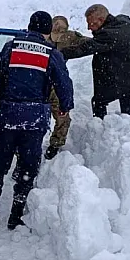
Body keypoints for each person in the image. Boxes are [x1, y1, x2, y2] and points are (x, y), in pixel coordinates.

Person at [0, 11, 74, 230]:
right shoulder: (51, 53)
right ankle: (16, 211)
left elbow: (3, 76)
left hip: (9, 114)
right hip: (34, 117)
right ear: (46, 31)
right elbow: (63, 82)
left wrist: (4, 102)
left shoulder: (11, 46)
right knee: (28, 163)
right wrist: (65, 106)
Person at [60, 4, 130, 118]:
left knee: (126, 114)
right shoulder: (122, 22)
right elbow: (125, 18)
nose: (89, 28)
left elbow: (84, 49)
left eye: (92, 24)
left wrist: (59, 53)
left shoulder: (109, 35)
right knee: (101, 101)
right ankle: (103, 126)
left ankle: (103, 126)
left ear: (101, 20)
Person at [44, 15, 86, 160]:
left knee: (62, 116)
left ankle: (55, 144)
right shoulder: (41, 35)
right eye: (55, 25)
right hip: (38, 83)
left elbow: (87, 43)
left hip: (56, 83)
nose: (57, 29)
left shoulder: (69, 37)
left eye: (61, 28)